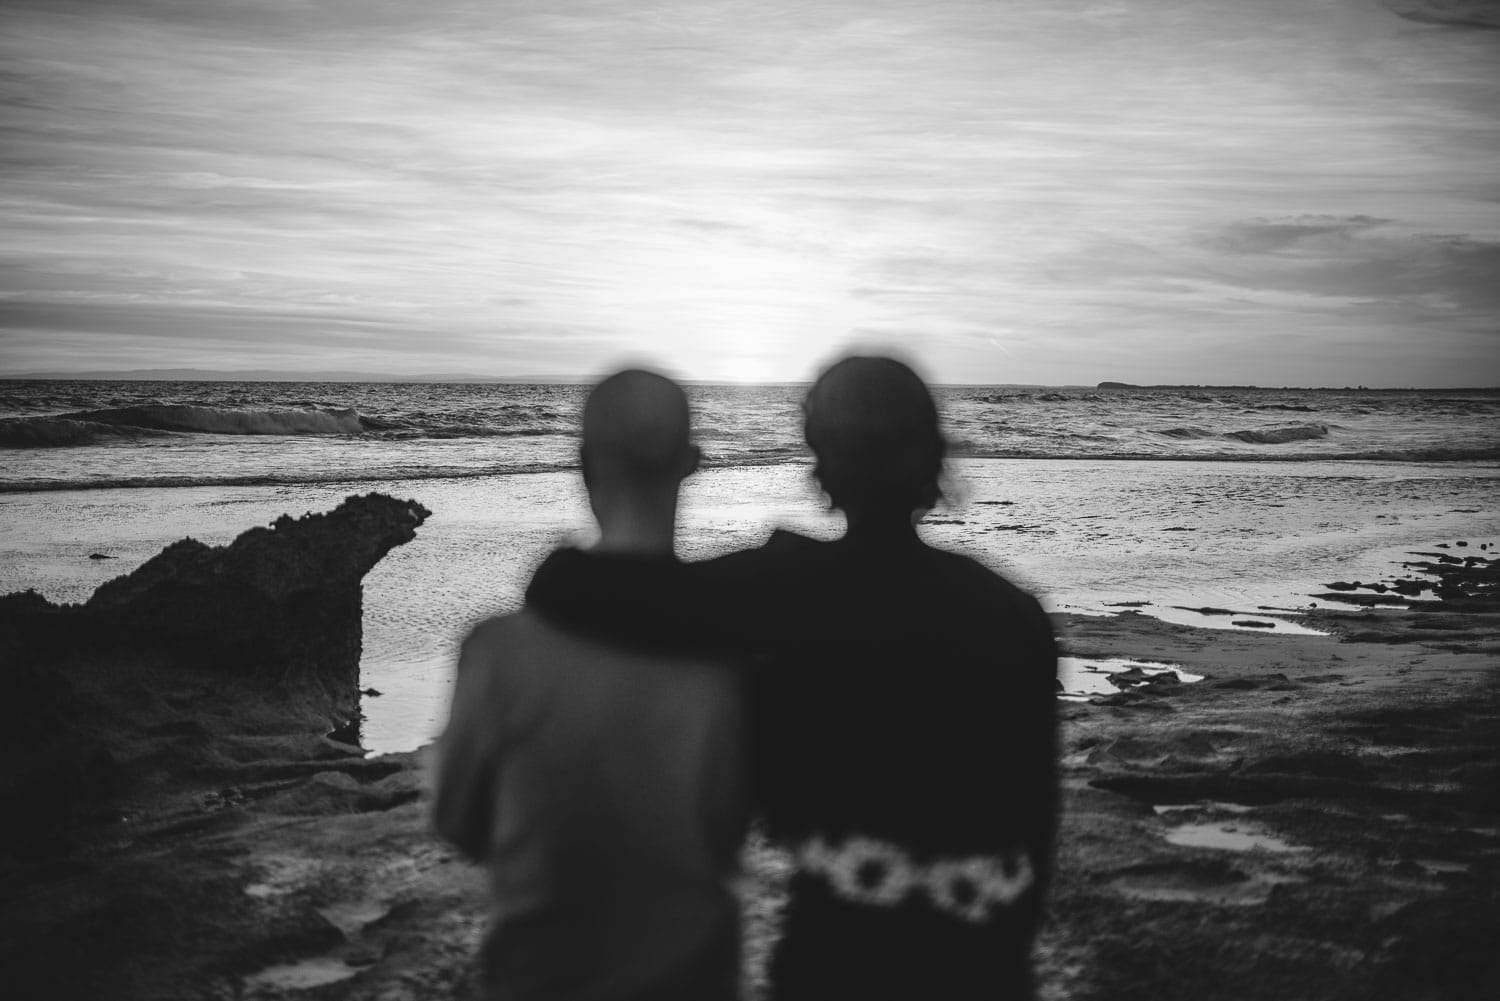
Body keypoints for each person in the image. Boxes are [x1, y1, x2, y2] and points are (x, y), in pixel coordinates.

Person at [527, 355, 1059, 1000]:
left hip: (838, 954)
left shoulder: (792, 585)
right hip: (989, 963)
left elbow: (595, 592)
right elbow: (1039, 820)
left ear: (821, 458)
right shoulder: (1014, 612)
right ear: (930, 454)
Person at [432, 369, 750, 1001]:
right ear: (691, 464)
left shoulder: (496, 652)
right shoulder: (733, 656)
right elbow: (726, 830)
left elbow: (460, 824)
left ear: (582, 464)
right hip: (693, 979)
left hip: (539, 976)